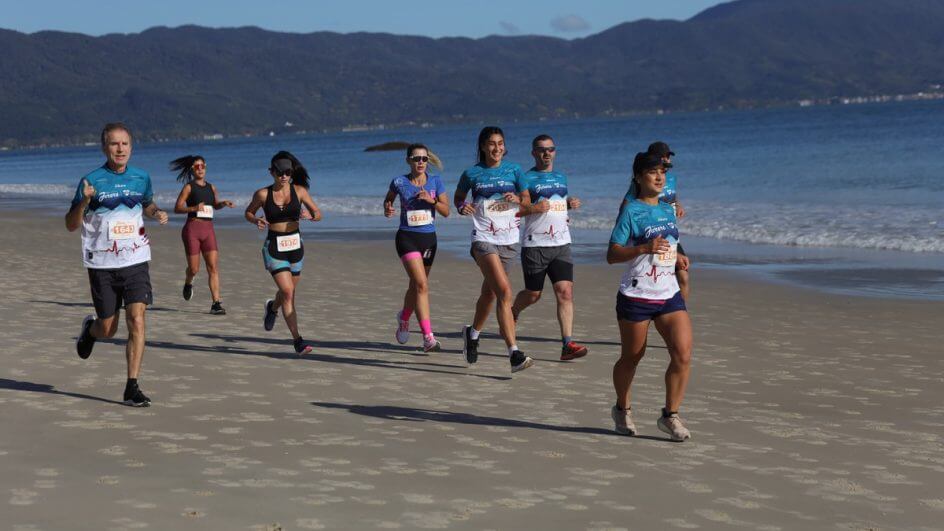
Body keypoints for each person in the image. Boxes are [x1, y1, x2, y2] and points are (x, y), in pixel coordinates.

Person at [66, 122, 169, 407]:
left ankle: (131, 386)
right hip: (102, 263)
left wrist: (156, 211)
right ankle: (90, 331)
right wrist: (82, 203)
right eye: (114, 144)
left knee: (137, 319)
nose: (120, 149)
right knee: (109, 328)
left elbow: (146, 203)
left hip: (136, 259)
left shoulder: (141, 177)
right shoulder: (91, 181)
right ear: (104, 147)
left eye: (124, 144)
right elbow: (71, 225)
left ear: (131, 147)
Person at [607, 151, 693, 441]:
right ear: (638, 177)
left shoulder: (668, 210)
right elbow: (612, 254)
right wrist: (643, 248)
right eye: (653, 172)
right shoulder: (630, 210)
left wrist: (679, 256)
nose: (659, 177)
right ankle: (622, 408)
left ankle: (670, 416)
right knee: (632, 357)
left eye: (663, 173)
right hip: (636, 294)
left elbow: (671, 243)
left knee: (682, 353)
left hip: (668, 293)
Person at [454, 126, 533, 373]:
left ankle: (473, 334)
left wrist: (518, 200)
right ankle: (514, 353)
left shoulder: (515, 170)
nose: (496, 148)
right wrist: (462, 207)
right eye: (491, 143)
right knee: (505, 292)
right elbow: (459, 198)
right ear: (482, 147)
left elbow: (527, 201)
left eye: (500, 143)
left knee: (490, 293)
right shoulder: (472, 173)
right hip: (483, 238)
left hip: (509, 239)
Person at [512, 134, 589, 361]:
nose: (547, 153)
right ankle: (513, 311)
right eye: (542, 149)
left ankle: (567, 345)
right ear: (533, 153)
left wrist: (568, 204)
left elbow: (556, 205)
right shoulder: (525, 179)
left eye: (551, 149)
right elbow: (515, 210)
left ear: (555, 152)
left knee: (565, 292)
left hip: (561, 244)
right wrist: (535, 208)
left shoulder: (560, 177)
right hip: (535, 245)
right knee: (534, 294)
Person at [244, 151, 323, 354]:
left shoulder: (300, 191)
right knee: (288, 293)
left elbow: (318, 213)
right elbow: (248, 212)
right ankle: (298, 340)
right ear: (271, 172)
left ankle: (272, 307)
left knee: (287, 293)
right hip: (274, 247)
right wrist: (256, 220)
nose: (284, 176)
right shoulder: (263, 194)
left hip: (296, 246)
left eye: (287, 172)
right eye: (280, 172)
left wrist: (310, 215)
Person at [384, 144, 450, 352]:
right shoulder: (399, 182)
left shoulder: (435, 182)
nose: (421, 162)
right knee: (421, 285)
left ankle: (404, 317)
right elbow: (388, 199)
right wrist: (388, 208)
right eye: (416, 158)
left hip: (429, 240)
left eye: (424, 158)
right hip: (407, 238)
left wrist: (431, 201)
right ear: (408, 161)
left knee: (416, 286)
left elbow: (447, 211)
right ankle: (428, 337)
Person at [623, 141, 690, 300]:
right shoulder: (640, 182)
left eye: (668, 156)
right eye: (663, 157)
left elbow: (672, 195)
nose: (667, 160)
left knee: (683, 277)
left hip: (671, 235)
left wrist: (678, 205)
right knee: (654, 279)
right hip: (651, 236)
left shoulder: (670, 178)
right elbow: (626, 206)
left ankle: (680, 311)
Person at [171, 155, 234, 314]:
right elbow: (177, 208)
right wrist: (193, 208)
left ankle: (216, 304)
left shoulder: (211, 187)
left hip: (208, 230)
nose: (200, 169)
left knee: (213, 267)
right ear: (192, 169)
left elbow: (214, 205)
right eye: (197, 166)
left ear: (205, 167)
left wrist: (223, 204)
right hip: (192, 229)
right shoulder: (189, 187)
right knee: (194, 269)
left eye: (202, 166)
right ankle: (188, 282)